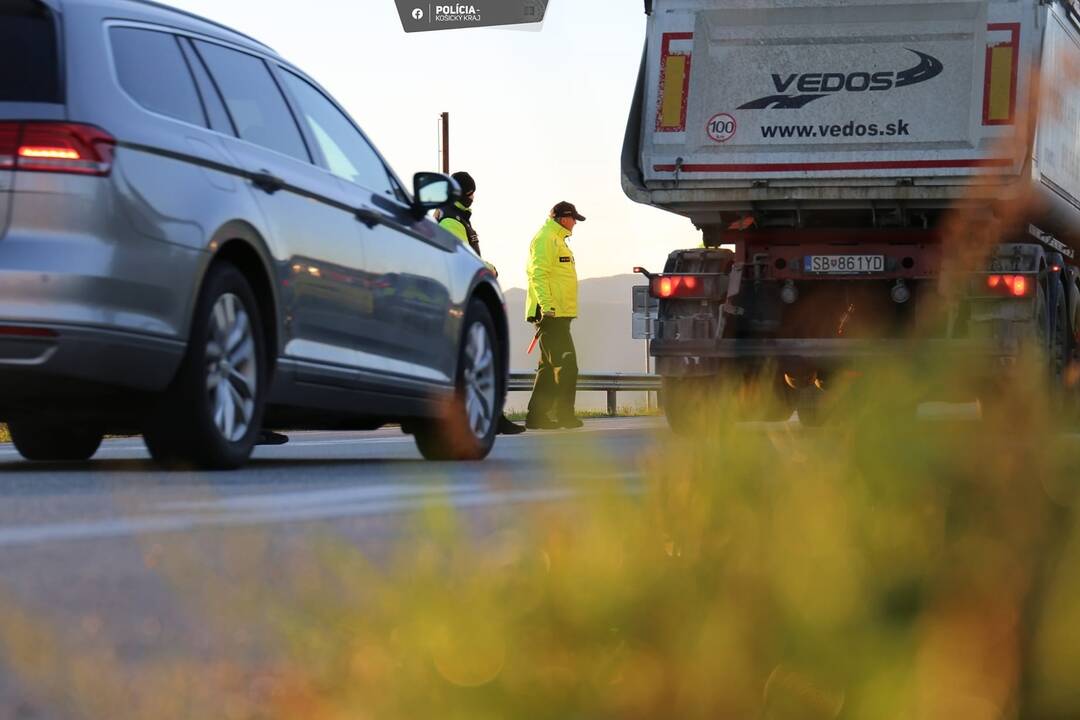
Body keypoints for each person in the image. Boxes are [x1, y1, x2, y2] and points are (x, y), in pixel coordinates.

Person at [438, 171, 526, 436]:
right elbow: (464, 257)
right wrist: (491, 269)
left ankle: (487, 416)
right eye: (471, 192)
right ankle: (491, 417)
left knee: (475, 357)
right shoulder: (453, 221)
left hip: (463, 293)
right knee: (484, 354)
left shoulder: (454, 217)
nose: (473, 197)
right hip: (463, 295)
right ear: (465, 194)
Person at [525, 201, 586, 430]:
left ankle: (537, 416)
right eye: (574, 219)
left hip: (559, 314)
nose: (575, 224)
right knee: (567, 365)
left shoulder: (557, 239)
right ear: (563, 218)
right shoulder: (546, 239)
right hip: (552, 313)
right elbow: (537, 275)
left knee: (549, 368)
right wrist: (547, 308)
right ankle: (564, 415)